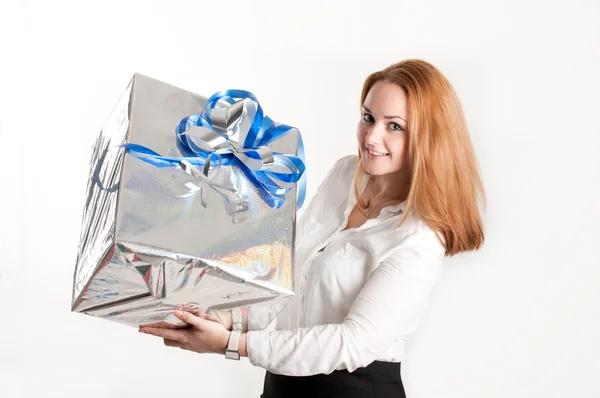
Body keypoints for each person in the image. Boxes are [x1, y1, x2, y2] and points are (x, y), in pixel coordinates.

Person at [139, 59, 485, 398]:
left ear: (430, 138)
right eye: (368, 118)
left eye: (395, 126)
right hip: (282, 383)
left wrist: (232, 344)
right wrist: (227, 318)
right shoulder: (345, 175)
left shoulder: (420, 238)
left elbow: (353, 342)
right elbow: (292, 280)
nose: (371, 137)